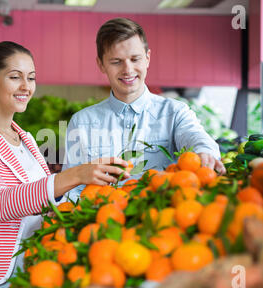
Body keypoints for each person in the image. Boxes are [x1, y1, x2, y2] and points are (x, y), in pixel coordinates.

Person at [0, 41, 129, 288]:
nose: (25, 87)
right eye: (15, 77)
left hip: (24, 281)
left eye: (31, 78)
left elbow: (43, 200)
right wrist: (75, 175)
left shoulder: (26, 139)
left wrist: (92, 192)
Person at [62, 17, 226, 202]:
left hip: (159, 219)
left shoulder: (175, 113)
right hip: (102, 223)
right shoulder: (81, 122)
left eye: (135, 59)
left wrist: (204, 152)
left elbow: (195, 136)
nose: (128, 69)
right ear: (101, 64)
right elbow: (72, 186)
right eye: (116, 61)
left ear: (147, 58)